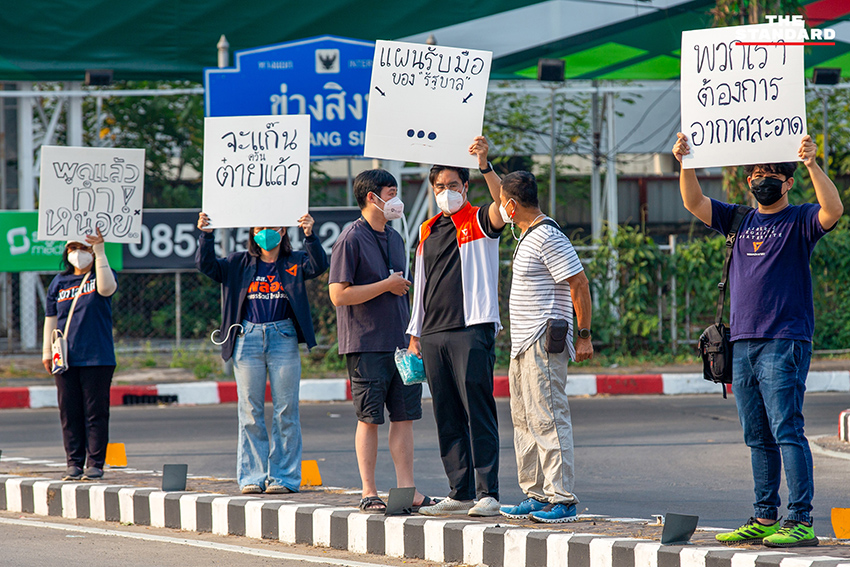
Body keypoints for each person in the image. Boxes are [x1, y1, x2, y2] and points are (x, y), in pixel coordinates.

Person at [672, 133, 843, 547]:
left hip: (785, 339)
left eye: (769, 174)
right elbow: (694, 203)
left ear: (786, 183)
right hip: (742, 341)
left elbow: (833, 209)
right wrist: (685, 162)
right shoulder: (737, 220)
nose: (759, 179)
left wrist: (811, 164)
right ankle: (765, 516)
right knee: (757, 434)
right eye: (754, 174)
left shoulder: (800, 220)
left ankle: (800, 519)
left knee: (787, 428)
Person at [409, 136, 506, 517]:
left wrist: (484, 164)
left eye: (452, 186)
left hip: (471, 329)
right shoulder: (427, 229)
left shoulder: (480, 219)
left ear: (465, 187)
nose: (446, 193)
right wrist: (415, 333)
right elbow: (422, 282)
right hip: (433, 333)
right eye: (440, 188)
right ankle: (460, 491)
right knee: (446, 415)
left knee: (477, 410)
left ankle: (488, 493)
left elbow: (505, 206)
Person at [196, 213, 328, 494]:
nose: (265, 232)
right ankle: (252, 477)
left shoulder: (295, 261)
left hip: (283, 337)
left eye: (271, 227)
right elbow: (206, 265)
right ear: (252, 232)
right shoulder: (237, 262)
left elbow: (319, 265)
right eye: (259, 227)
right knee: (250, 411)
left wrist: (310, 234)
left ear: (282, 231)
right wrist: (206, 235)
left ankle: (284, 478)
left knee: (286, 410)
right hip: (248, 338)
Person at [328, 169, 435, 513]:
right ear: (372, 197)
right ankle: (368, 490)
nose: (396, 199)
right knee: (369, 418)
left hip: (400, 343)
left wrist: (413, 336)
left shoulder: (394, 237)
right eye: (391, 192)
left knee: (404, 417)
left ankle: (408, 489)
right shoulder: (350, 239)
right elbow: (338, 295)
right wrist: (385, 286)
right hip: (365, 342)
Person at [495, 171, 593, 523]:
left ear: (511, 204)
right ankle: (536, 494)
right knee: (523, 421)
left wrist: (584, 335)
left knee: (548, 418)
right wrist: (484, 166)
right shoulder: (528, 235)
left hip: (542, 339)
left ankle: (562, 499)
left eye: (500, 202)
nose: (498, 208)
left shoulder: (548, 235)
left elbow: (578, 283)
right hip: (521, 344)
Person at [42, 229, 118, 481]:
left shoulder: (101, 275)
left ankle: (95, 464)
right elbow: (51, 318)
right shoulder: (58, 283)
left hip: (98, 357)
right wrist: (46, 352)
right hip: (64, 358)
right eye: (73, 247)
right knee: (69, 411)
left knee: (95, 412)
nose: (78, 253)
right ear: (66, 251)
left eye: (83, 247)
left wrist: (100, 250)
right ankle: (73, 463)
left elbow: (107, 290)